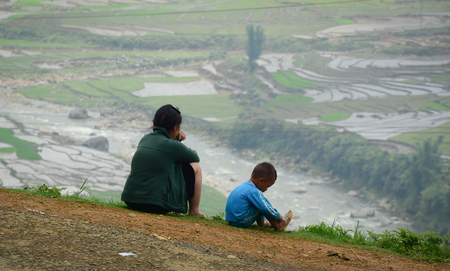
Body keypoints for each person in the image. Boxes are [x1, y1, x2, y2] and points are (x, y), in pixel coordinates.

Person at [121, 104, 203, 217]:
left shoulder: (145, 139)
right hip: (155, 205)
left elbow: (164, 154)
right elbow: (194, 157)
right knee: (196, 167)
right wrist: (177, 140)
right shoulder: (172, 145)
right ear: (175, 128)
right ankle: (194, 211)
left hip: (131, 200)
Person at [225, 162, 292, 231]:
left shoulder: (245, 186)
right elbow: (265, 208)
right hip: (241, 222)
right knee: (263, 203)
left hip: (233, 222)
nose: (266, 189)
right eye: (267, 186)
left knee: (260, 202)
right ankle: (279, 225)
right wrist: (280, 217)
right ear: (261, 181)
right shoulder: (254, 191)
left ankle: (262, 224)